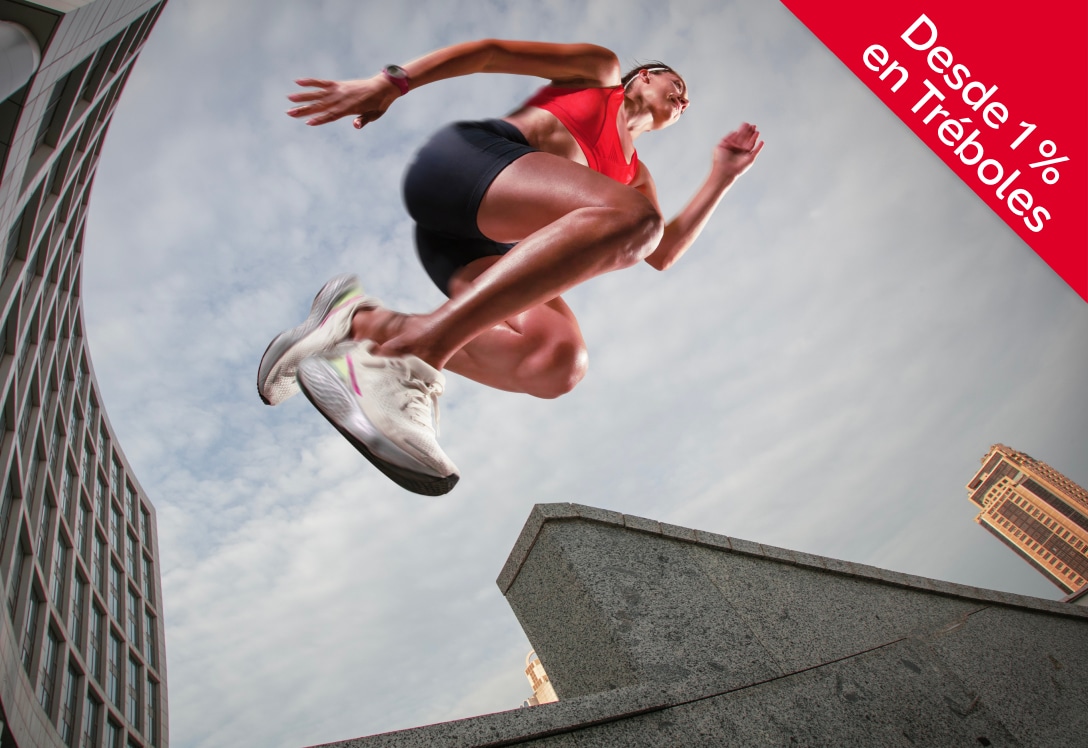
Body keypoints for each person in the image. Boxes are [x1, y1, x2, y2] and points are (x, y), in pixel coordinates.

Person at [257, 39, 763, 496]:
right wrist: (393, 82)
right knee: (634, 220)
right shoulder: (601, 73)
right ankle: (407, 358)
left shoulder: (634, 176)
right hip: (459, 168)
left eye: (687, 100)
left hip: (477, 247)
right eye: (678, 84)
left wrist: (723, 175)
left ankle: (361, 324)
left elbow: (661, 252)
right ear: (644, 77)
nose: (685, 98)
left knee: (559, 363)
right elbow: (491, 53)